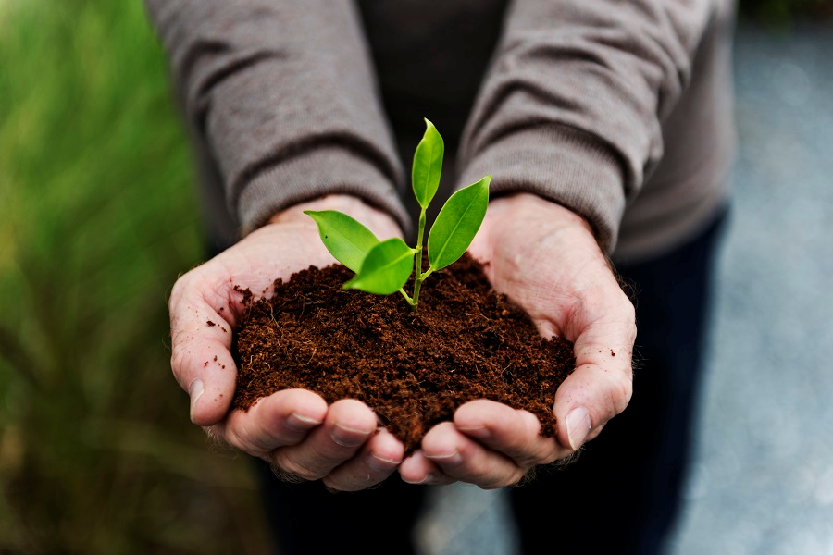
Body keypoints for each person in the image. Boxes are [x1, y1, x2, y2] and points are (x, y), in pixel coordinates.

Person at [148, 0, 735, 553]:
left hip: (615, 164)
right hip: (272, 183)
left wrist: (561, 158)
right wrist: (300, 163)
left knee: (606, 528)